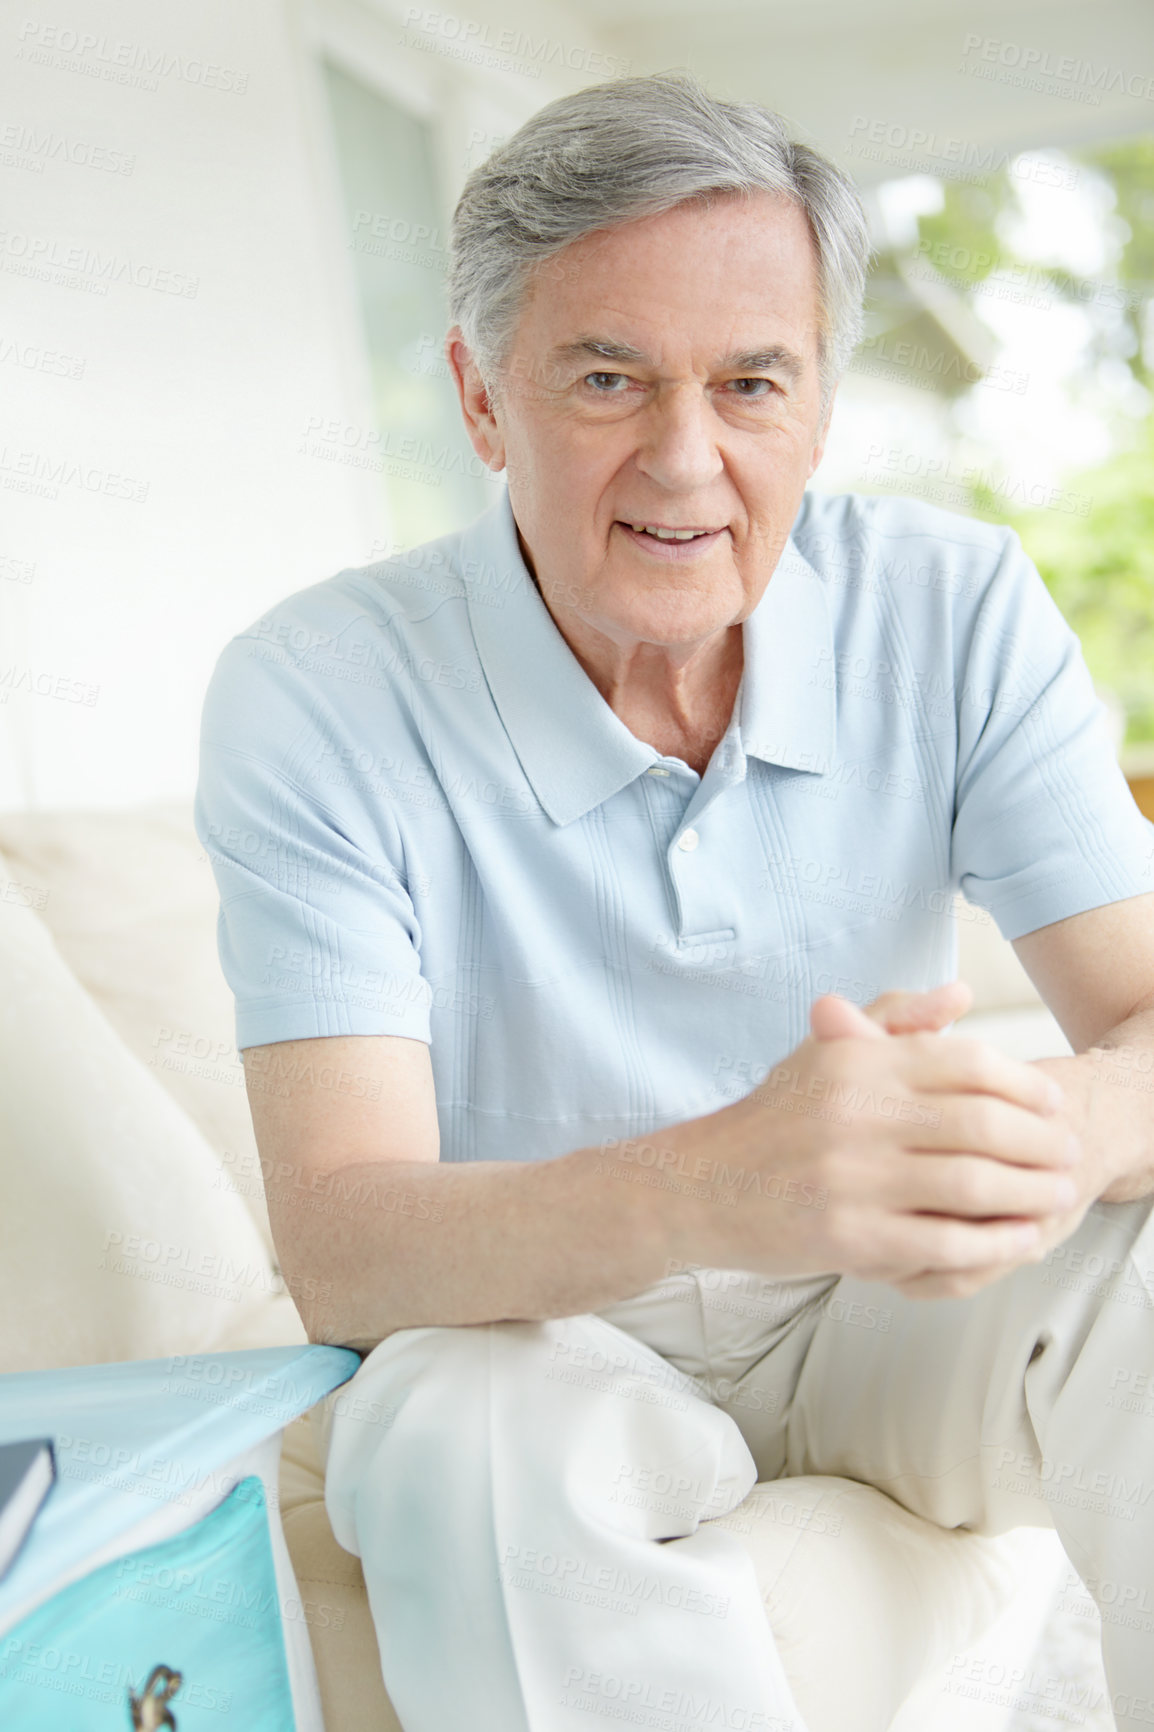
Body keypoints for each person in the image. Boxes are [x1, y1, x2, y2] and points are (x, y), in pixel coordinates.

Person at [195, 73, 1154, 1732]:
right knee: (454, 1434)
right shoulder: (316, 689)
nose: (685, 460)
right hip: (544, 1324)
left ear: (820, 403)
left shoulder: (953, 602)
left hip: (890, 1311)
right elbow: (344, 1245)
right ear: (482, 399)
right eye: (606, 377)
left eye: (749, 382)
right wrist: (723, 1185)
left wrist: (1059, 1130)